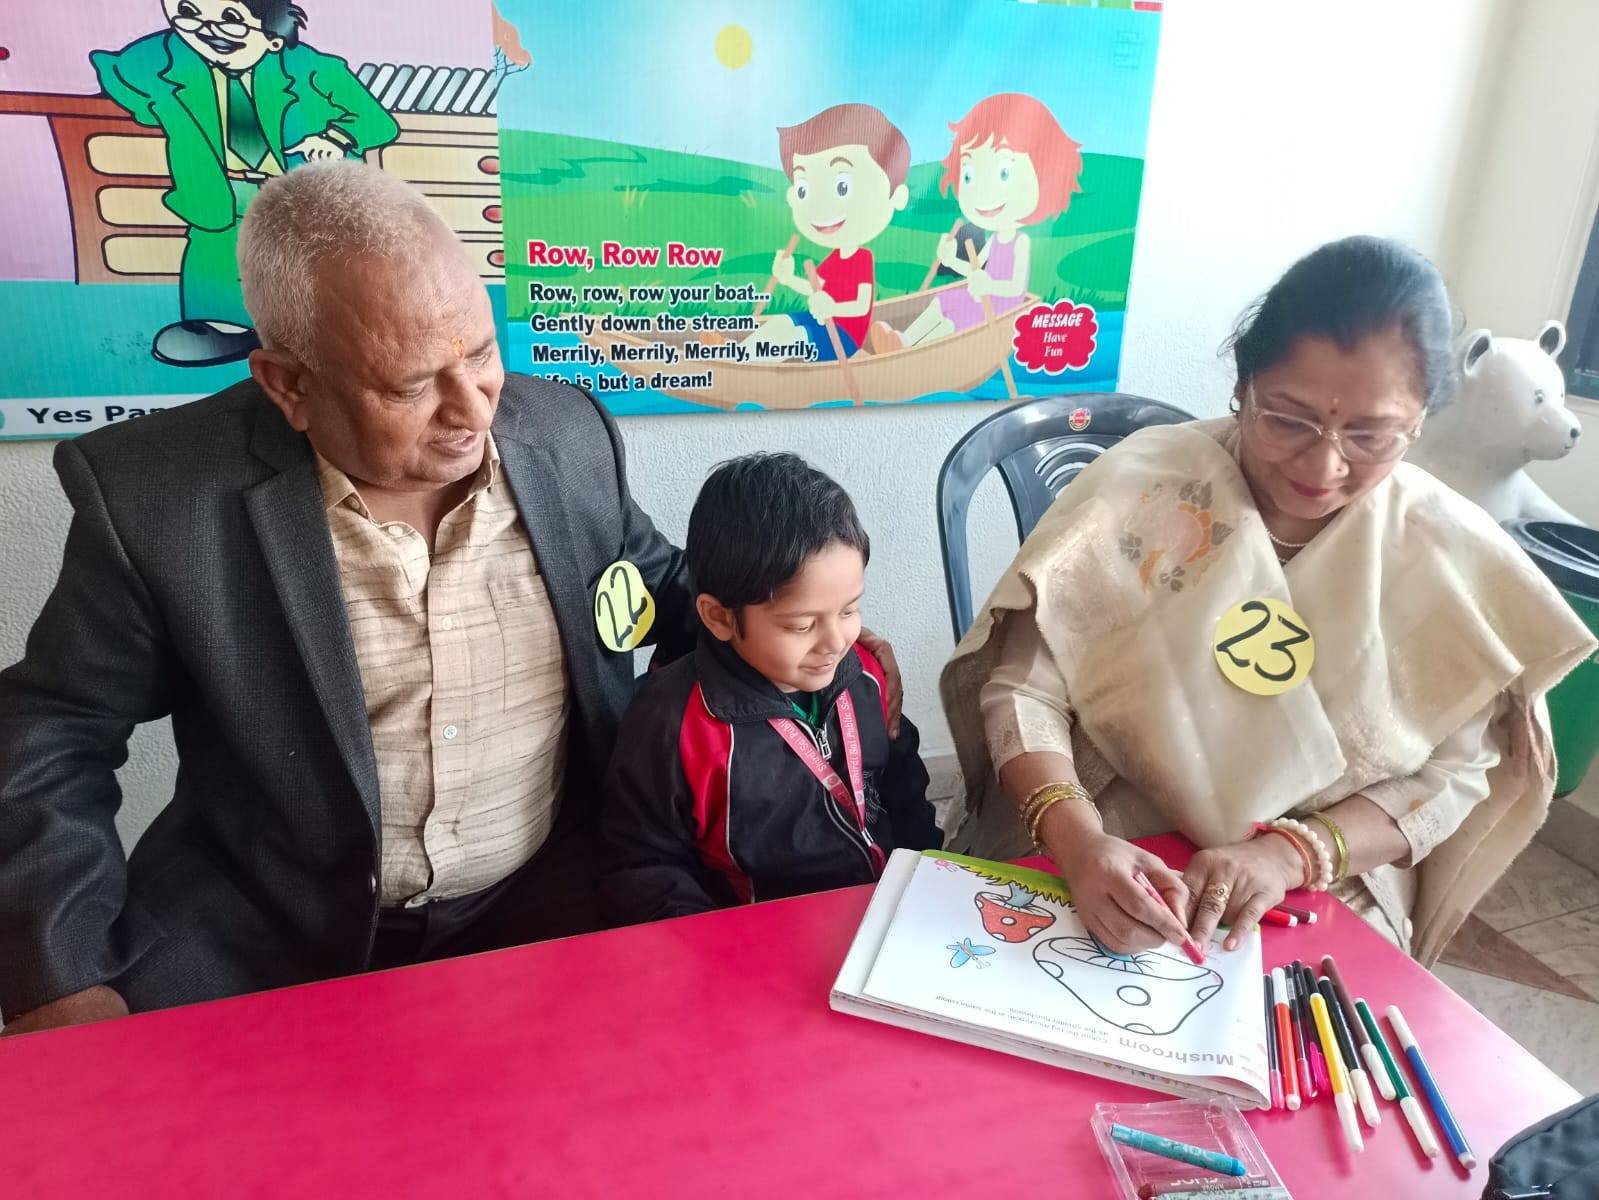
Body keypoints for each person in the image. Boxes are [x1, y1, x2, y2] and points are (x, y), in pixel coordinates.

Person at [0, 161, 906, 1034]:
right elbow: (54, 728)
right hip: (267, 929)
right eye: (407, 387)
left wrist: (814, 638)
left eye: (480, 353)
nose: (472, 411)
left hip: (554, 899)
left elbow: (665, 593)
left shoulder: (566, 436)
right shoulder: (160, 498)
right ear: (290, 385)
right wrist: (61, 976)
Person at [940, 236, 1597, 966]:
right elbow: (1023, 689)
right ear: (1243, 386)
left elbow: (1454, 774)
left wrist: (1293, 855)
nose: (1323, 463)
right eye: (1286, 419)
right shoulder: (1143, 486)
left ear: (1419, 422)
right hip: (1111, 816)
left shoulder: (1445, 550)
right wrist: (1078, 839)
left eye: (1371, 435)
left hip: (1324, 860)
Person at [599, 453, 940, 924]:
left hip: (887, 918)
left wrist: (930, 873)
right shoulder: (670, 726)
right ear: (719, 617)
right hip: (755, 938)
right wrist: (716, 942)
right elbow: (643, 866)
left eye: (849, 610)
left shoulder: (866, 674)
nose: (836, 641)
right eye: (802, 625)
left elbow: (904, 788)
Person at [92, 0, 398, 366]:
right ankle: (219, 324)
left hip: (299, 191)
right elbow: (115, 69)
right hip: (221, 188)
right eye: (187, 13)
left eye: (231, 20)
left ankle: (324, 328)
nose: (207, 30)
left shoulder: (309, 68)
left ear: (274, 35)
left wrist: (335, 136)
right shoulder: (165, 59)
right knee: (214, 235)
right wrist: (154, 107)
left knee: (316, 256)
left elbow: (377, 121)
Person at [876, 93, 1081, 350]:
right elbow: (973, 271)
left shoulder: (1020, 243)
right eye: (968, 175)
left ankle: (912, 351)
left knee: (952, 322)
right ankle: (904, 340)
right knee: (942, 300)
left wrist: (989, 284)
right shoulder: (994, 239)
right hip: (981, 297)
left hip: (1001, 307)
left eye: (1004, 173)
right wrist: (949, 259)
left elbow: (1017, 288)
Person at [742, 103, 910, 362]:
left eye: (843, 187)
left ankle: (748, 366)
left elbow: (861, 306)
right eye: (803, 190)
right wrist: (787, 279)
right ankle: (739, 355)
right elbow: (816, 287)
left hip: (843, 336)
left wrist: (833, 307)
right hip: (821, 321)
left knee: (796, 339)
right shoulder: (834, 258)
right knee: (781, 323)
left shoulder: (862, 259)